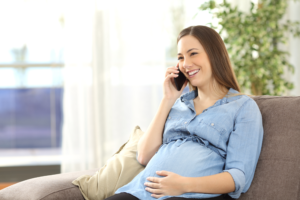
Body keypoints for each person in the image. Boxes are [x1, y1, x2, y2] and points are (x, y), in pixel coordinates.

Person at [105, 25, 264, 200]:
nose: (186, 64)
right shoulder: (178, 104)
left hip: (190, 196)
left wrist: (183, 185)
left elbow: (238, 177)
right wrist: (168, 99)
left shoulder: (243, 107)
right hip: (140, 192)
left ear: (214, 55)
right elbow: (143, 156)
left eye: (193, 53)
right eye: (180, 57)